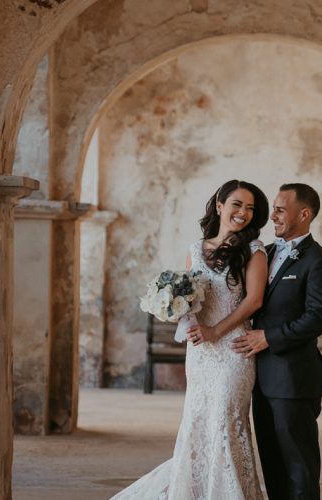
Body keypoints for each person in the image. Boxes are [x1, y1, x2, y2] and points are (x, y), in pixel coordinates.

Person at [114, 180, 269, 500]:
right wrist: (176, 313)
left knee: (226, 421)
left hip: (233, 351)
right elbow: (190, 298)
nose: (243, 213)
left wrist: (216, 331)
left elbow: (253, 301)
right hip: (200, 355)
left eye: (250, 208)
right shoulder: (194, 249)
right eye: (237, 204)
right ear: (220, 205)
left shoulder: (254, 251)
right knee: (198, 424)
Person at [233, 183, 322, 500]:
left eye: (281, 209)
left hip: (294, 378)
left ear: (304, 214)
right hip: (261, 377)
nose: (273, 216)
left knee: (299, 464)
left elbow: (318, 318)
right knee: (273, 463)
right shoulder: (264, 252)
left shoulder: (320, 261)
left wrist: (269, 337)